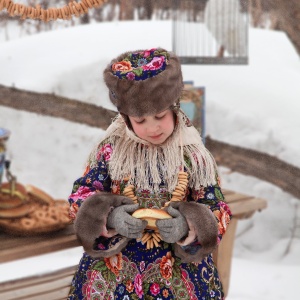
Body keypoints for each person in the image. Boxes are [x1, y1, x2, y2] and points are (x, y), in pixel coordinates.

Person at [67, 48, 232, 300]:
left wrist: (189, 225)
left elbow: (216, 206)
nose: (153, 127)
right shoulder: (112, 149)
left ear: (174, 106)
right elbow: (81, 195)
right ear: (125, 117)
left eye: (159, 116)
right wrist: (109, 217)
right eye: (140, 120)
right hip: (114, 274)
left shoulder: (192, 154)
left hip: (179, 273)